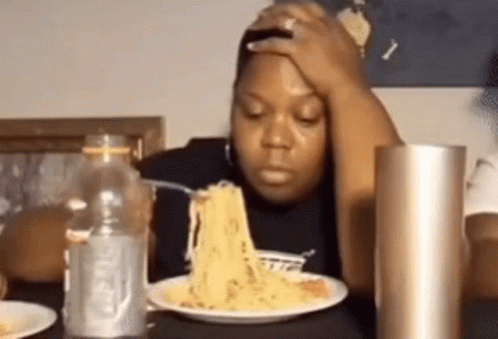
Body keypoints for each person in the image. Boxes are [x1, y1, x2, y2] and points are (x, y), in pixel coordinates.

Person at [138, 2, 401, 297]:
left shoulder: (353, 189)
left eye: (306, 117)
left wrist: (347, 86)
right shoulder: (167, 183)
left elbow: (397, 279)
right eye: (253, 112)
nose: (276, 139)